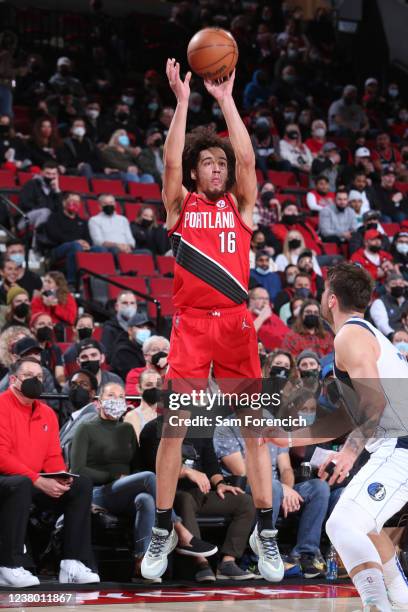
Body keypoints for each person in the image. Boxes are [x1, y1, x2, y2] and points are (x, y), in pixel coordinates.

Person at [141, 59, 285, 583]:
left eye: (221, 163)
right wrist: (183, 102)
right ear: (198, 169)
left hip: (236, 324)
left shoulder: (241, 208)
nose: (218, 169)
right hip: (191, 326)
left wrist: (226, 100)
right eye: (209, 162)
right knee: (173, 431)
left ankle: (266, 533)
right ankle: (161, 529)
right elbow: (170, 163)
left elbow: (248, 160)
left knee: (255, 434)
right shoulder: (180, 207)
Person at [268, 262, 408, 610]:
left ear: (331, 299)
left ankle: (377, 605)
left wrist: (347, 453)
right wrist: (286, 438)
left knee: (343, 526)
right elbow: (348, 416)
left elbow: (374, 404)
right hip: (394, 444)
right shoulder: (366, 336)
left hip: (399, 444)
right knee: (371, 532)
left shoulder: (351, 335)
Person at [71, 381, 214, 582]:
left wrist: (127, 480)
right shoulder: (86, 428)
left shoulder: (127, 429)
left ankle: (141, 564)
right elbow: (77, 470)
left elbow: (136, 466)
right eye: (111, 396)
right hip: (98, 492)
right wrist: (113, 477)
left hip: (123, 491)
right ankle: (182, 533)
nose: (117, 401)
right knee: (149, 478)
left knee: (146, 499)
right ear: (98, 402)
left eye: (121, 397)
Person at [0, 356, 100, 587]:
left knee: (80, 485)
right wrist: (37, 480)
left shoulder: (47, 413)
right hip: (9, 480)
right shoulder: (2, 405)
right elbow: (2, 456)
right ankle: (9, 565)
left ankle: (72, 562)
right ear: (14, 379)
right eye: (28, 376)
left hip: (32, 481)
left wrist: (60, 478)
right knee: (20, 484)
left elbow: (53, 456)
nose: (35, 380)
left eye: (39, 377)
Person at [140, 415, 256, 582]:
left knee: (244, 501)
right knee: (185, 499)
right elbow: (155, 470)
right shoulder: (154, 429)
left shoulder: (200, 428)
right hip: (169, 494)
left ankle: (228, 563)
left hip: (201, 493)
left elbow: (211, 466)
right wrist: (186, 471)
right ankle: (201, 564)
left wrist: (221, 483)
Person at [214, 424, 330, 579]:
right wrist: (281, 489)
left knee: (319, 487)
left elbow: (286, 469)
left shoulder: (270, 420)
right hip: (247, 487)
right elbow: (242, 472)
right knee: (272, 487)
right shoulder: (226, 428)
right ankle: (259, 557)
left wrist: (287, 490)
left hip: (278, 487)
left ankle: (305, 555)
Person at [45, 192, 106, 285]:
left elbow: (88, 238)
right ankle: (72, 281)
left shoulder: (82, 221)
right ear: (64, 203)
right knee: (75, 246)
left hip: (79, 247)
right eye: (72, 201)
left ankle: (99, 280)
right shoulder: (54, 217)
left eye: (77, 202)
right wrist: (75, 241)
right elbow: (54, 235)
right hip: (57, 249)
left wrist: (86, 244)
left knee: (100, 249)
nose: (75, 204)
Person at [59, 369, 98, 463]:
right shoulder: (72, 418)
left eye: (83, 384)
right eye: (73, 384)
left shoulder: (93, 417)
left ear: (92, 393)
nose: (77, 388)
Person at [18, 161, 62, 229]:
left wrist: (57, 190)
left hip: (50, 219)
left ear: (57, 175)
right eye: (48, 173)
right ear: (41, 173)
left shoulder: (54, 190)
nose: (51, 176)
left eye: (54, 174)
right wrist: (42, 207)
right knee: (45, 212)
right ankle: (38, 237)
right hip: (26, 218)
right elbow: (24, 203)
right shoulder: (32, 184)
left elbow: (60, 209)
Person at [110, 313, 151, 381]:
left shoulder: (147, 347)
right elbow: (134, 377)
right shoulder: (122, 352)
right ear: (129, 330)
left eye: (148, 328)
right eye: (140, 327)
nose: (145, 330)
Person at [248, 286, 290, 351]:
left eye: (267, 299)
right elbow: (246, 335)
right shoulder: (245, 315)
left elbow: (288, 335)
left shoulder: (273, 316)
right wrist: (262, 317)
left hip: (281, 353)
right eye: (261, 298)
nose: (265, 302)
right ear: (251, 300)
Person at [125, 369, 162, 440]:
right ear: (139, 388)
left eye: (158, 385)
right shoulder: (132, 416)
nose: (154, 388)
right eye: (149, 385)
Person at [29, 311, 65, 387]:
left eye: (49, 324)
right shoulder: (28, 349)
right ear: (32, 328)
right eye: (41, 324)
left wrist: (63, 387)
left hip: (52, 389)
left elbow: (59, 374)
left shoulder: (55, 349)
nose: (46, 327)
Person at [101, 291, 138, 363]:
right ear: (117, 307)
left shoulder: (144, 326)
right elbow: (107, 356)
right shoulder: (109, 328)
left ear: (136, 306)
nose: (129, 306)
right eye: (125, 303)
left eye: (132, 303)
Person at [369, 273, 407, 337]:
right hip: (388, 339)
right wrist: (395, 336)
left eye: (401, 284)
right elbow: (382, 325)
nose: (398, 286)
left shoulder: (406, 302)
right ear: (387, 287)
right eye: (394, 284)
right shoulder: (379, 302)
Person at [62, 313, 96, 378]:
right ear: (74, 328)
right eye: (81, 326)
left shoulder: (100, 348)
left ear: (93, 329)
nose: (85, 328)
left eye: (89, 326)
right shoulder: (70, 353)